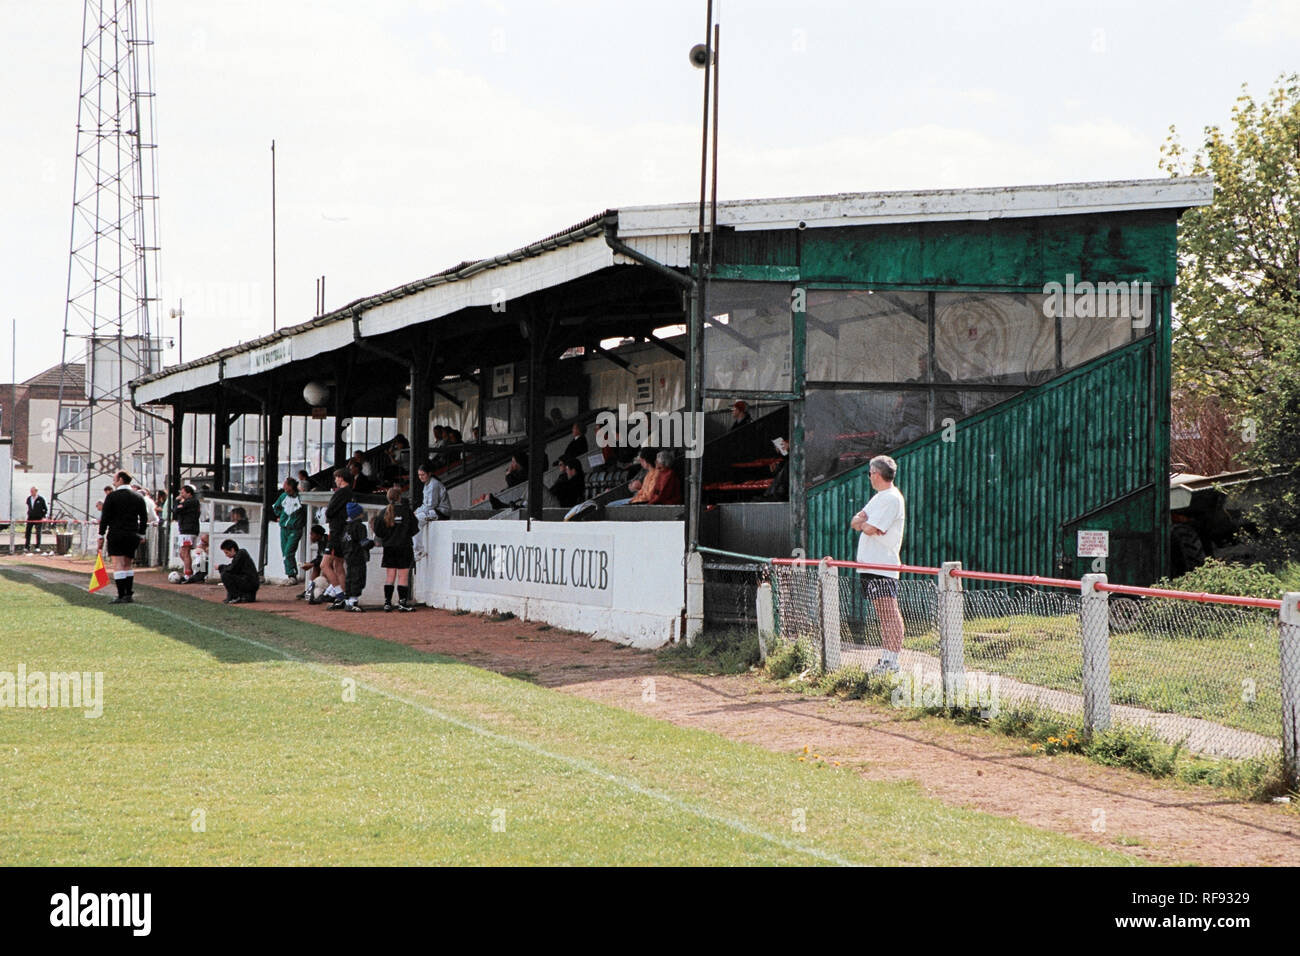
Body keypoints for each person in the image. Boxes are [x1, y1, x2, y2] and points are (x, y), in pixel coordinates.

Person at [849, 455, 907, 676]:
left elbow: (869, 528)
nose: (869, 477)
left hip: (882, 566)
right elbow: (856, 522)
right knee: (883, 614)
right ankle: (887, 659)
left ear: (877, 474)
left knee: (889, 613)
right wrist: (865, 523)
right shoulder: (878, 498)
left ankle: (892, 662)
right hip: (870, 566)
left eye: (870, 473)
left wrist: (865, 524)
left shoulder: (891, 498)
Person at [97, 470, 149, 605]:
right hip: (132, 534)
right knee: (128, 564)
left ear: (120, 480)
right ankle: (128, 593)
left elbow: (105, 517)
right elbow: (144, 517)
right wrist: (142, 533)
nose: (113, 481)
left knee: (118, 564)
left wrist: (101, 534)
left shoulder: (112, 497)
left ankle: (121, 595)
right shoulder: (138, 497)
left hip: (117, 533)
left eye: (115, 479)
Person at [372, 487, 418, 612]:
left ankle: (387, 603)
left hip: (389, 547)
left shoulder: (383, 512)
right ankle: (402, 603)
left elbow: (378, 531)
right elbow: (414, 528)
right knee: (403, 576)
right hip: (404, 546)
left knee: (390, 575)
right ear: (399, 497)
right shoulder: (406, 511)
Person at [328, 501, 373, 612]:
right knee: (358, 578)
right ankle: (353, 601)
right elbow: (363, 543)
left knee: (350, 578)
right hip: (358, 556)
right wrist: (372, 543)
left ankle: (348, 601)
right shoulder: (360, 526)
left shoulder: (346, 527)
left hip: (348, 556)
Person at [320, 468, 353, 606]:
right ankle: (343, 595)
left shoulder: (341, 493)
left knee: (324, 565)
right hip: (343, 531)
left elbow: (330, 511)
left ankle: (339, 594)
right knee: (338, 564)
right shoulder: (349, 492)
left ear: (341, 478)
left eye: (336, 478)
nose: (335, 480)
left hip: (336, 532)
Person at [271, 476, 306, 583]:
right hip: (284, 529)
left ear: (291, 486)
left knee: (288, 552)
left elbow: (306, 512)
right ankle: (290, 574)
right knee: (285, 552)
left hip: (295, 529)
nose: (285, 489)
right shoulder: (283, 496)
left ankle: (292, 574)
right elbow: (276, 507)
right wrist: (281, 516)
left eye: (286, 486)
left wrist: (300, 522)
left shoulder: (300, 498)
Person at [216, 538, 260, 604]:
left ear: (232, 550)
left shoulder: (241, 554)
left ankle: (235, 596)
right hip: (249, 582)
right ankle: (242, 596)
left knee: (225, 575)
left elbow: (232, 568)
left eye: (227, 553)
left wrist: (220, 567)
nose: (226, 555)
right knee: (226, 573)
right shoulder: (240, 555)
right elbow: (233, 567)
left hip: (250, 583)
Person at [174, 483, 202, 582]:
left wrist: (177, 501)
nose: (181, 495)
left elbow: (176, 511)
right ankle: (189, 570)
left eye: (183, 493)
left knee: (185, 552)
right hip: (187, 529)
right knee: (182, 552)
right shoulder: (191, 502)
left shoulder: (190, 502)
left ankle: (188, 575)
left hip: (188, 529)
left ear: (189, 493)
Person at [414, 460, 450, 526]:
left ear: (429, 474)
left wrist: (417, 513)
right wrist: (416, 511)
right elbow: (425, 504)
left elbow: (431, 505)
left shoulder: (434, 484)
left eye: (423, 475)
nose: (420, 477)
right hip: (432, 511)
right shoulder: (427, 483)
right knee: (414, 519)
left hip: (441, 513)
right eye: (419, 475)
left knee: (415, 519)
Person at [297, 525, 328, 603]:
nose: (310, 536)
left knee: (324, 567)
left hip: (336, 561)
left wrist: (311, 564)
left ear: (319, 535)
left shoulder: (327, 541)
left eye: (312, 534)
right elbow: (320, 556)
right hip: (327, 561)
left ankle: (327, 593)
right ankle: (309, 589)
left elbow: (326, 557)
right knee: (316, 566)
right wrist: (310, 564)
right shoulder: (321, 542)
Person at [24, 487, 47, 551]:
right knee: (28, 532)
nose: (31, 492)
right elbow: (29, 506)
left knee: (38, 532)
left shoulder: (41, 499)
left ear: (36, 491)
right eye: (30, 491)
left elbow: (45, 508)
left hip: (38, 518)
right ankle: (27, 546)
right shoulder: (29, 498)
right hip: (30, 517)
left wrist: (43, 516)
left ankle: (37, 547)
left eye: (32, 491)